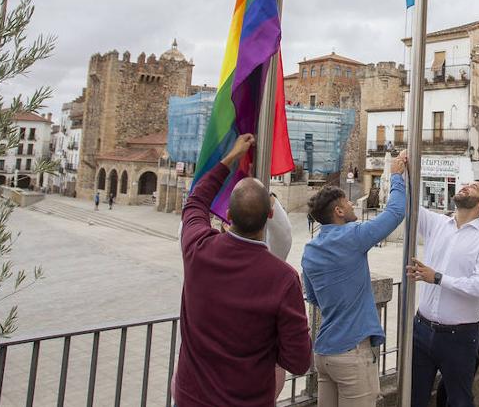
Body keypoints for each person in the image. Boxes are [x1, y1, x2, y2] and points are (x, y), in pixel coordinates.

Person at [174, 133, 311, 407]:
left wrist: (231, 157)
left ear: (229, 216)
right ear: (270, 215)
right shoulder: (283, 279)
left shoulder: (198, 250)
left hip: (192, 400)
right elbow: (298, 361)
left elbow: (195, 202)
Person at [302, 151, 409, 406]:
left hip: (324, 354)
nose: (352, 206)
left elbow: (314, 297)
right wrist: (396, 176)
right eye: (348, 204)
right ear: (338, 211)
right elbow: (395, 212)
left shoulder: (310, 250)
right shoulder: (352, 236)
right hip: (351, 353)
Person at [405, 176, 479, 407]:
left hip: (459, 337)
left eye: (474, 187)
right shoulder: (437, 223)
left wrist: (437, 278)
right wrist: (402, 172)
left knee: (458, 400)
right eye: (466, 184)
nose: (466, 186)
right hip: (421, 330)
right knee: (414, 397)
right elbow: (407, 204)